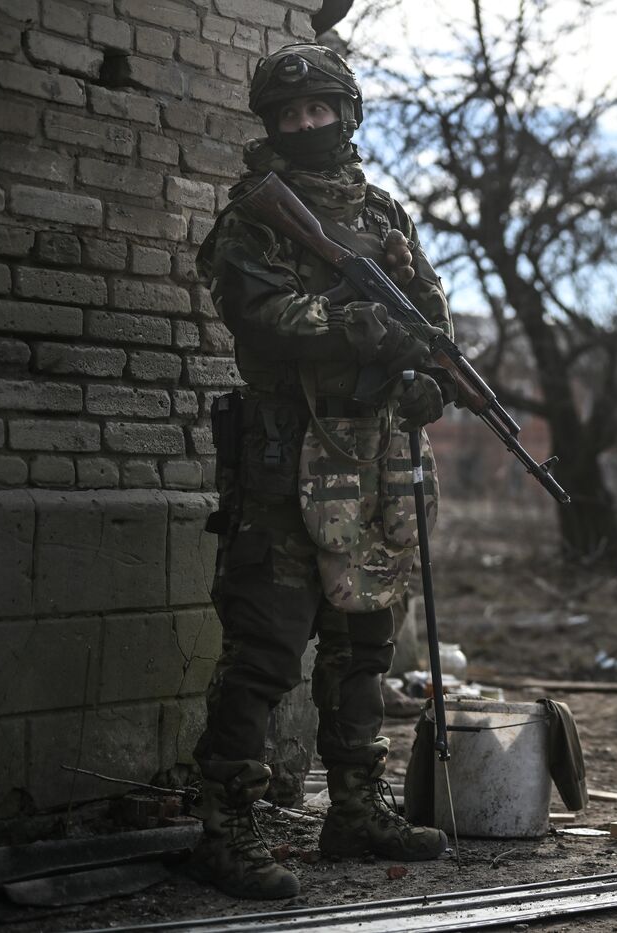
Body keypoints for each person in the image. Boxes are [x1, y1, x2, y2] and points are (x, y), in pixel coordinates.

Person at [191, 42, 456, 900]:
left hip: (374, 458)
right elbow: (257, 315)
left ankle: (355, 809)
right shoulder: (256, 217)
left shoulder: (384, 215)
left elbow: (432, 322)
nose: (307, 126)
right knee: (267, 645)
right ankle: (229, 827)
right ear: (274, 124)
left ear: (348, 114)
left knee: (363, 640)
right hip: (284, 454)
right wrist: (345, 321)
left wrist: (427, 381)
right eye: (289, 116)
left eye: (320, 111)